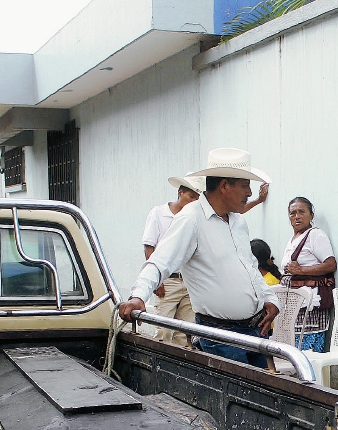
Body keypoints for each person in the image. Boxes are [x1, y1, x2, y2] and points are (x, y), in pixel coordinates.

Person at [118, 148, 279, 369]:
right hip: (221, 336)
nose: (250, 193)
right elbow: (159, 262)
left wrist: (270, 299)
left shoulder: (238, 222)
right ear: (224, 186)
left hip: (255, 330)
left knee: (260, 394)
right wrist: (138, 296)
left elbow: (250, 267)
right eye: (245, 185)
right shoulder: (191, 219)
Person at [140, 174, 205, 347]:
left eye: (197, 199)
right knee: (163, 329)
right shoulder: (159, 213)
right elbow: (149, 247)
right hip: (168, 281)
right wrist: (157, 281)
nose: (193, 202)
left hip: (189, 281)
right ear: (180, 192)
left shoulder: (194, 217)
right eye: (191, 197)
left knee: (186, 332)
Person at [280, 197, 337, 352]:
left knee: (308, 353)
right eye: (292, 213)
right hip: (294, 308)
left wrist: (301, 271)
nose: (297, 216)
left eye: (301, 212)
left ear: (311, 215)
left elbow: (331, 264)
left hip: (310, 308)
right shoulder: (293, 239)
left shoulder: (315, 235)